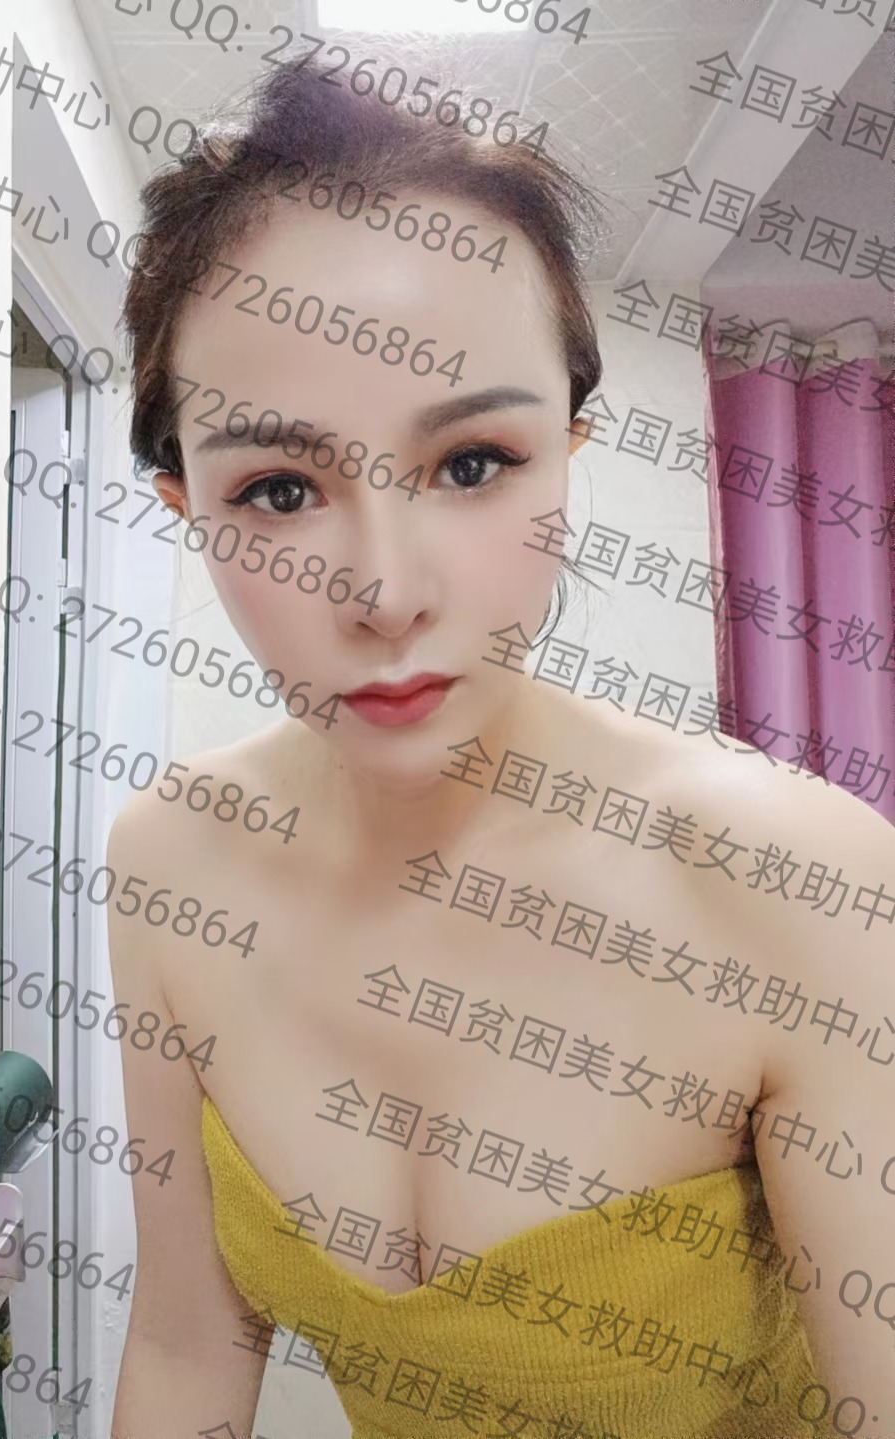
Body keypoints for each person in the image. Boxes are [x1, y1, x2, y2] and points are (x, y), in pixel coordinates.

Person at [108, 47, 895, 1439]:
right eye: (278, 490)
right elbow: (183, 1351)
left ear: (569, 449)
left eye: (472, 465)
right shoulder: (171, 864)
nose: (386, 592)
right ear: (187, 507)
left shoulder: (795, 879)